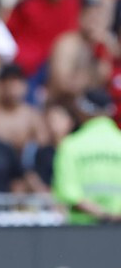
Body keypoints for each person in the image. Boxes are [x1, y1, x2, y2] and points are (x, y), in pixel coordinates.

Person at [52, 89, 121, 224]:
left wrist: (104, 216)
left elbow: (69, 194)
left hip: (83, 233)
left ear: (83, 110)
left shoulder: (70, 146)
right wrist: (115, 218)